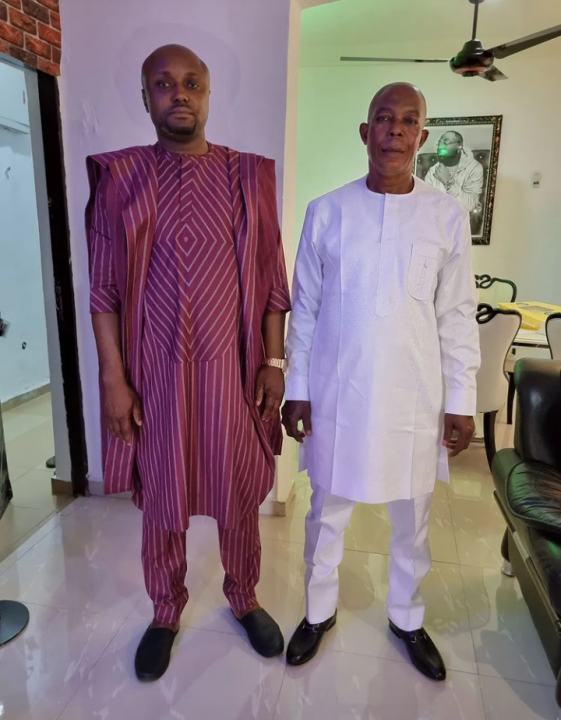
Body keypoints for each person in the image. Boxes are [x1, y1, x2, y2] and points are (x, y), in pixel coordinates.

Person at [85, 44, 291, 682]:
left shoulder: (247, 176)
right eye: (164, 84)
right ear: (145, 97)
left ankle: (244, 596)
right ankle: (165, 611)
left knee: (235, 487)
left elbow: (272, 280)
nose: (180, 94)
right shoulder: (122, 179)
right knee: (163, 493)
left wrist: (274, 361)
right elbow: (103, 292)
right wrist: (114, 379)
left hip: (233, 370)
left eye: (192, 83)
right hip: (156, 374)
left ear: (207, 93)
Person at [282, 83, 480, 681]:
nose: (396, 129)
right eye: (384, 118)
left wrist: (461, 398)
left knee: (412, 519)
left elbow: (456, 314)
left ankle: (406, 617)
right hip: (338, 394)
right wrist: (297, 387)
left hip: (413, 399)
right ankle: (318, 612)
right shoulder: (326, 212)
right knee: (326, 512)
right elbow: (305, 308)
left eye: (409, 120)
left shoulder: (446, 217)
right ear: (365, 132)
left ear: (422, 137)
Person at [424, 130, 484, 214]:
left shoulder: (474, 168)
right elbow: (426, 203)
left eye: (446, 143)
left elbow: (470, 205)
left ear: (459, 146)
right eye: (439, 143)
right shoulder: (433, 171)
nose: (440, 147)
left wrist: (448, 182)